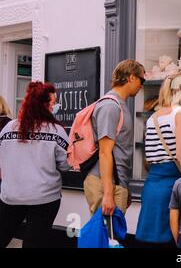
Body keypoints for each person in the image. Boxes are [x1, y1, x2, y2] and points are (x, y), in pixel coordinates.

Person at [0, 82, 70, 248]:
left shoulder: (9, 128)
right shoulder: (56, 131)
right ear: (44, 105)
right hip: (44, 198)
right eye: (53, 103)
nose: (55, 107)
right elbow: (66, 164)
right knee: (35, 243)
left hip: (11, 195)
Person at [135, 69, 181, 247]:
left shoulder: (153, 116)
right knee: (170, 239)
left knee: (150, 240)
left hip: (152, 185)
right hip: (172, 185)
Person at [83, 59, 146, 216]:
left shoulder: (119, 104)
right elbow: (104, 152)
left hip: (115, 182)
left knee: (111, 235)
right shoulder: (110, 106)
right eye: (141, 80)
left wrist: (123, 186)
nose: (142, 85)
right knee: (107, 236)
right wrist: (108, 194)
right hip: (105, 183)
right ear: (131, 77)